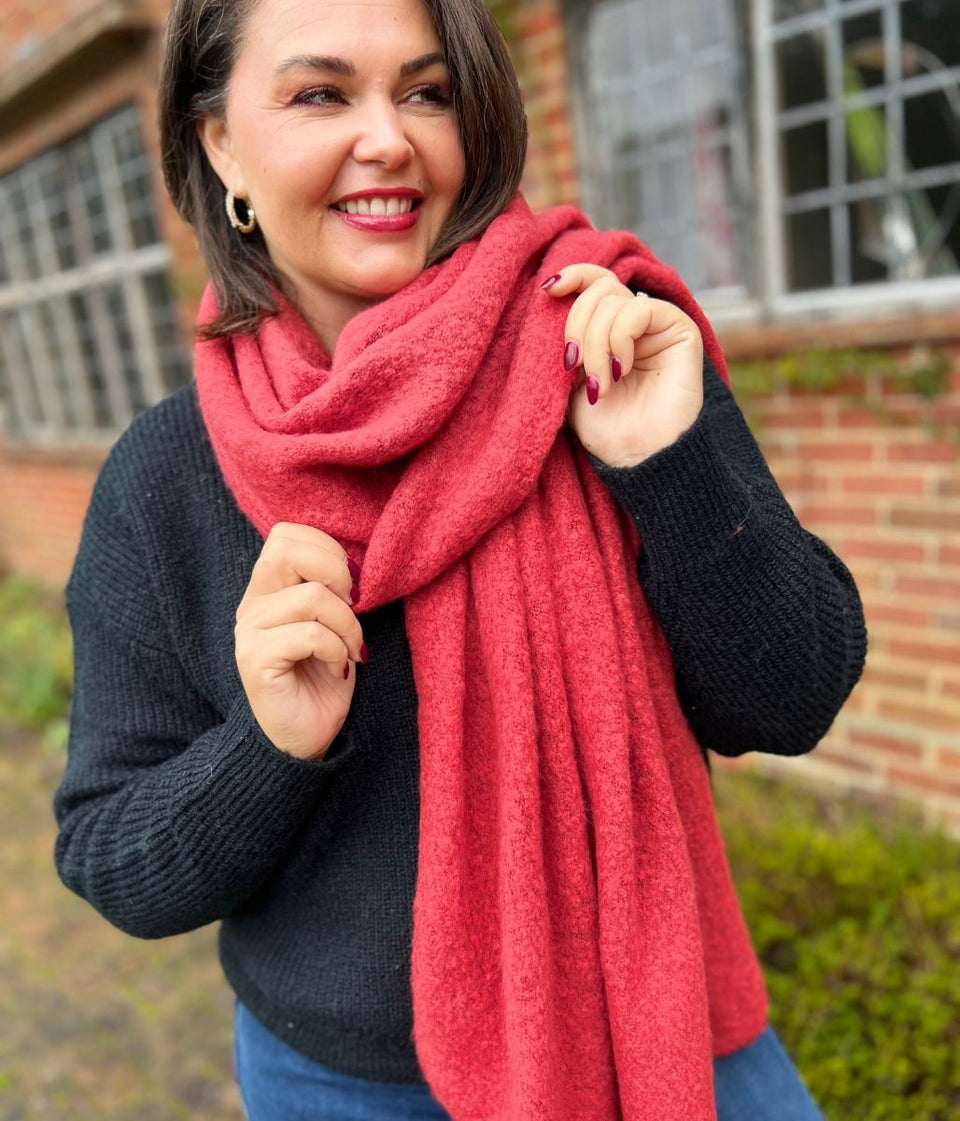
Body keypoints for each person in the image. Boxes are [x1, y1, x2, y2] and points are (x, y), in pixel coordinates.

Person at [53, 0, 866, 1116]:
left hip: (668, 1033)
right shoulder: (163, 482)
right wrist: (269, 747)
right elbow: (111, 855)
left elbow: (795, 694)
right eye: (321, 93)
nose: (389, 137)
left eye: (427, 92)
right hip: (347, 1085)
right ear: (219, 144)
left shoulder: (603, 341)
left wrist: (664, 465)